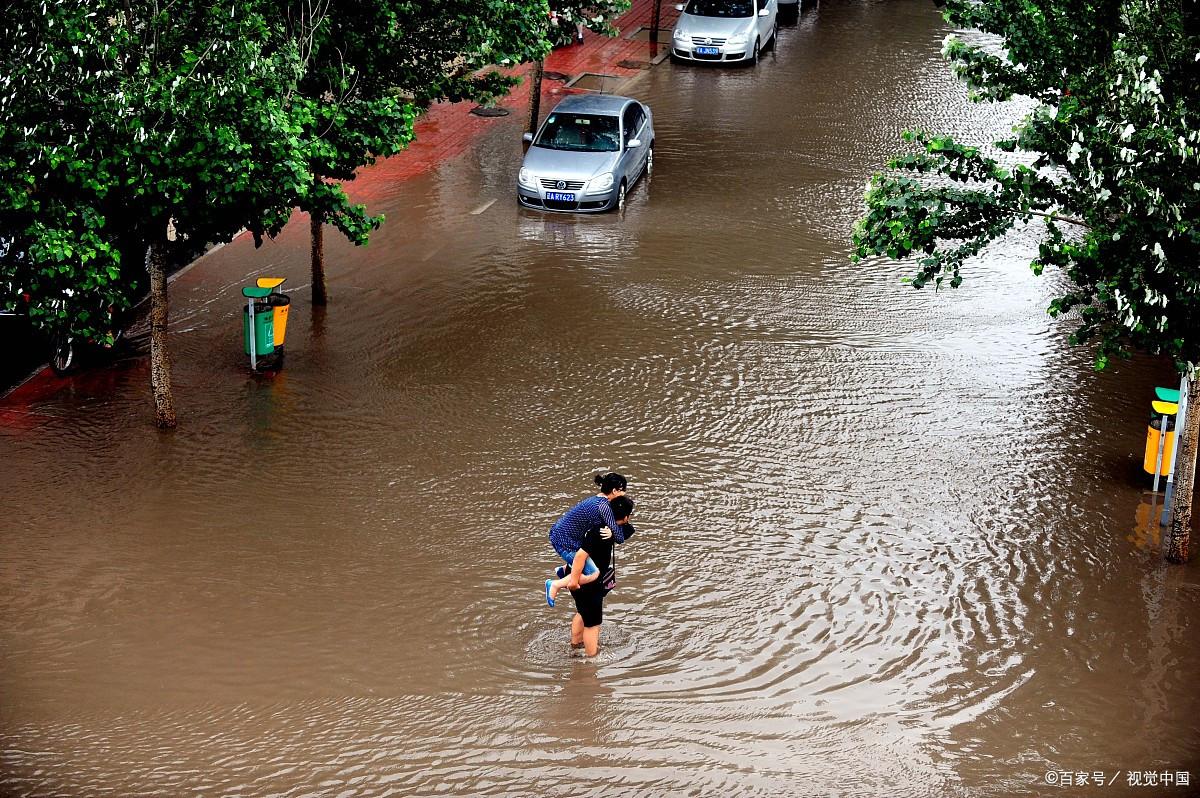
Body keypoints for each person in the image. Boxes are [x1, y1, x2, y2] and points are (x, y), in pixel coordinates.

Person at [544, 472, 633, 606]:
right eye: (623, 491)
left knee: (582, 560)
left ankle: (565, 569)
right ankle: (555, 584)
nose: (624, 494)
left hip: (560, 534)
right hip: (565, 542)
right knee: (593, 572)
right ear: (615, 491)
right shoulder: (604, 507)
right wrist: (613, 533)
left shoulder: (596, 499)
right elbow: (619, 537)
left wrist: (612, 531)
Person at [568, 495, 634, 657]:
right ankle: (591, 661)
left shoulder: (596, 528)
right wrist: (574, 582)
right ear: (626, 517)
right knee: (593, 624)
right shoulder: (602, 533)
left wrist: (573, 579)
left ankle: (575, 647)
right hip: (589, 583)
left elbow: (627, 530)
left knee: (582, 613)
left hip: (577, 576)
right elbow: (580, 556)